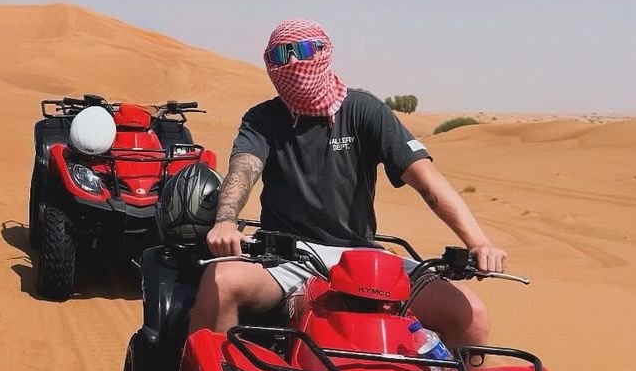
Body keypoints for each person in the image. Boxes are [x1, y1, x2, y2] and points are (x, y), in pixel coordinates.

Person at [189, 18, 507, 349]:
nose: (293, 62)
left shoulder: (363, 110)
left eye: (304, 50)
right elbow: (243, 170)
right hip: (284, 256)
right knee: (221, 282)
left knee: (470, 313)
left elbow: (426, 179)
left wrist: (478, 242)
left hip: (360, 258)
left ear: (324, 51)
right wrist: (225, 221)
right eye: (281, 55)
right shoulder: (262, 118)